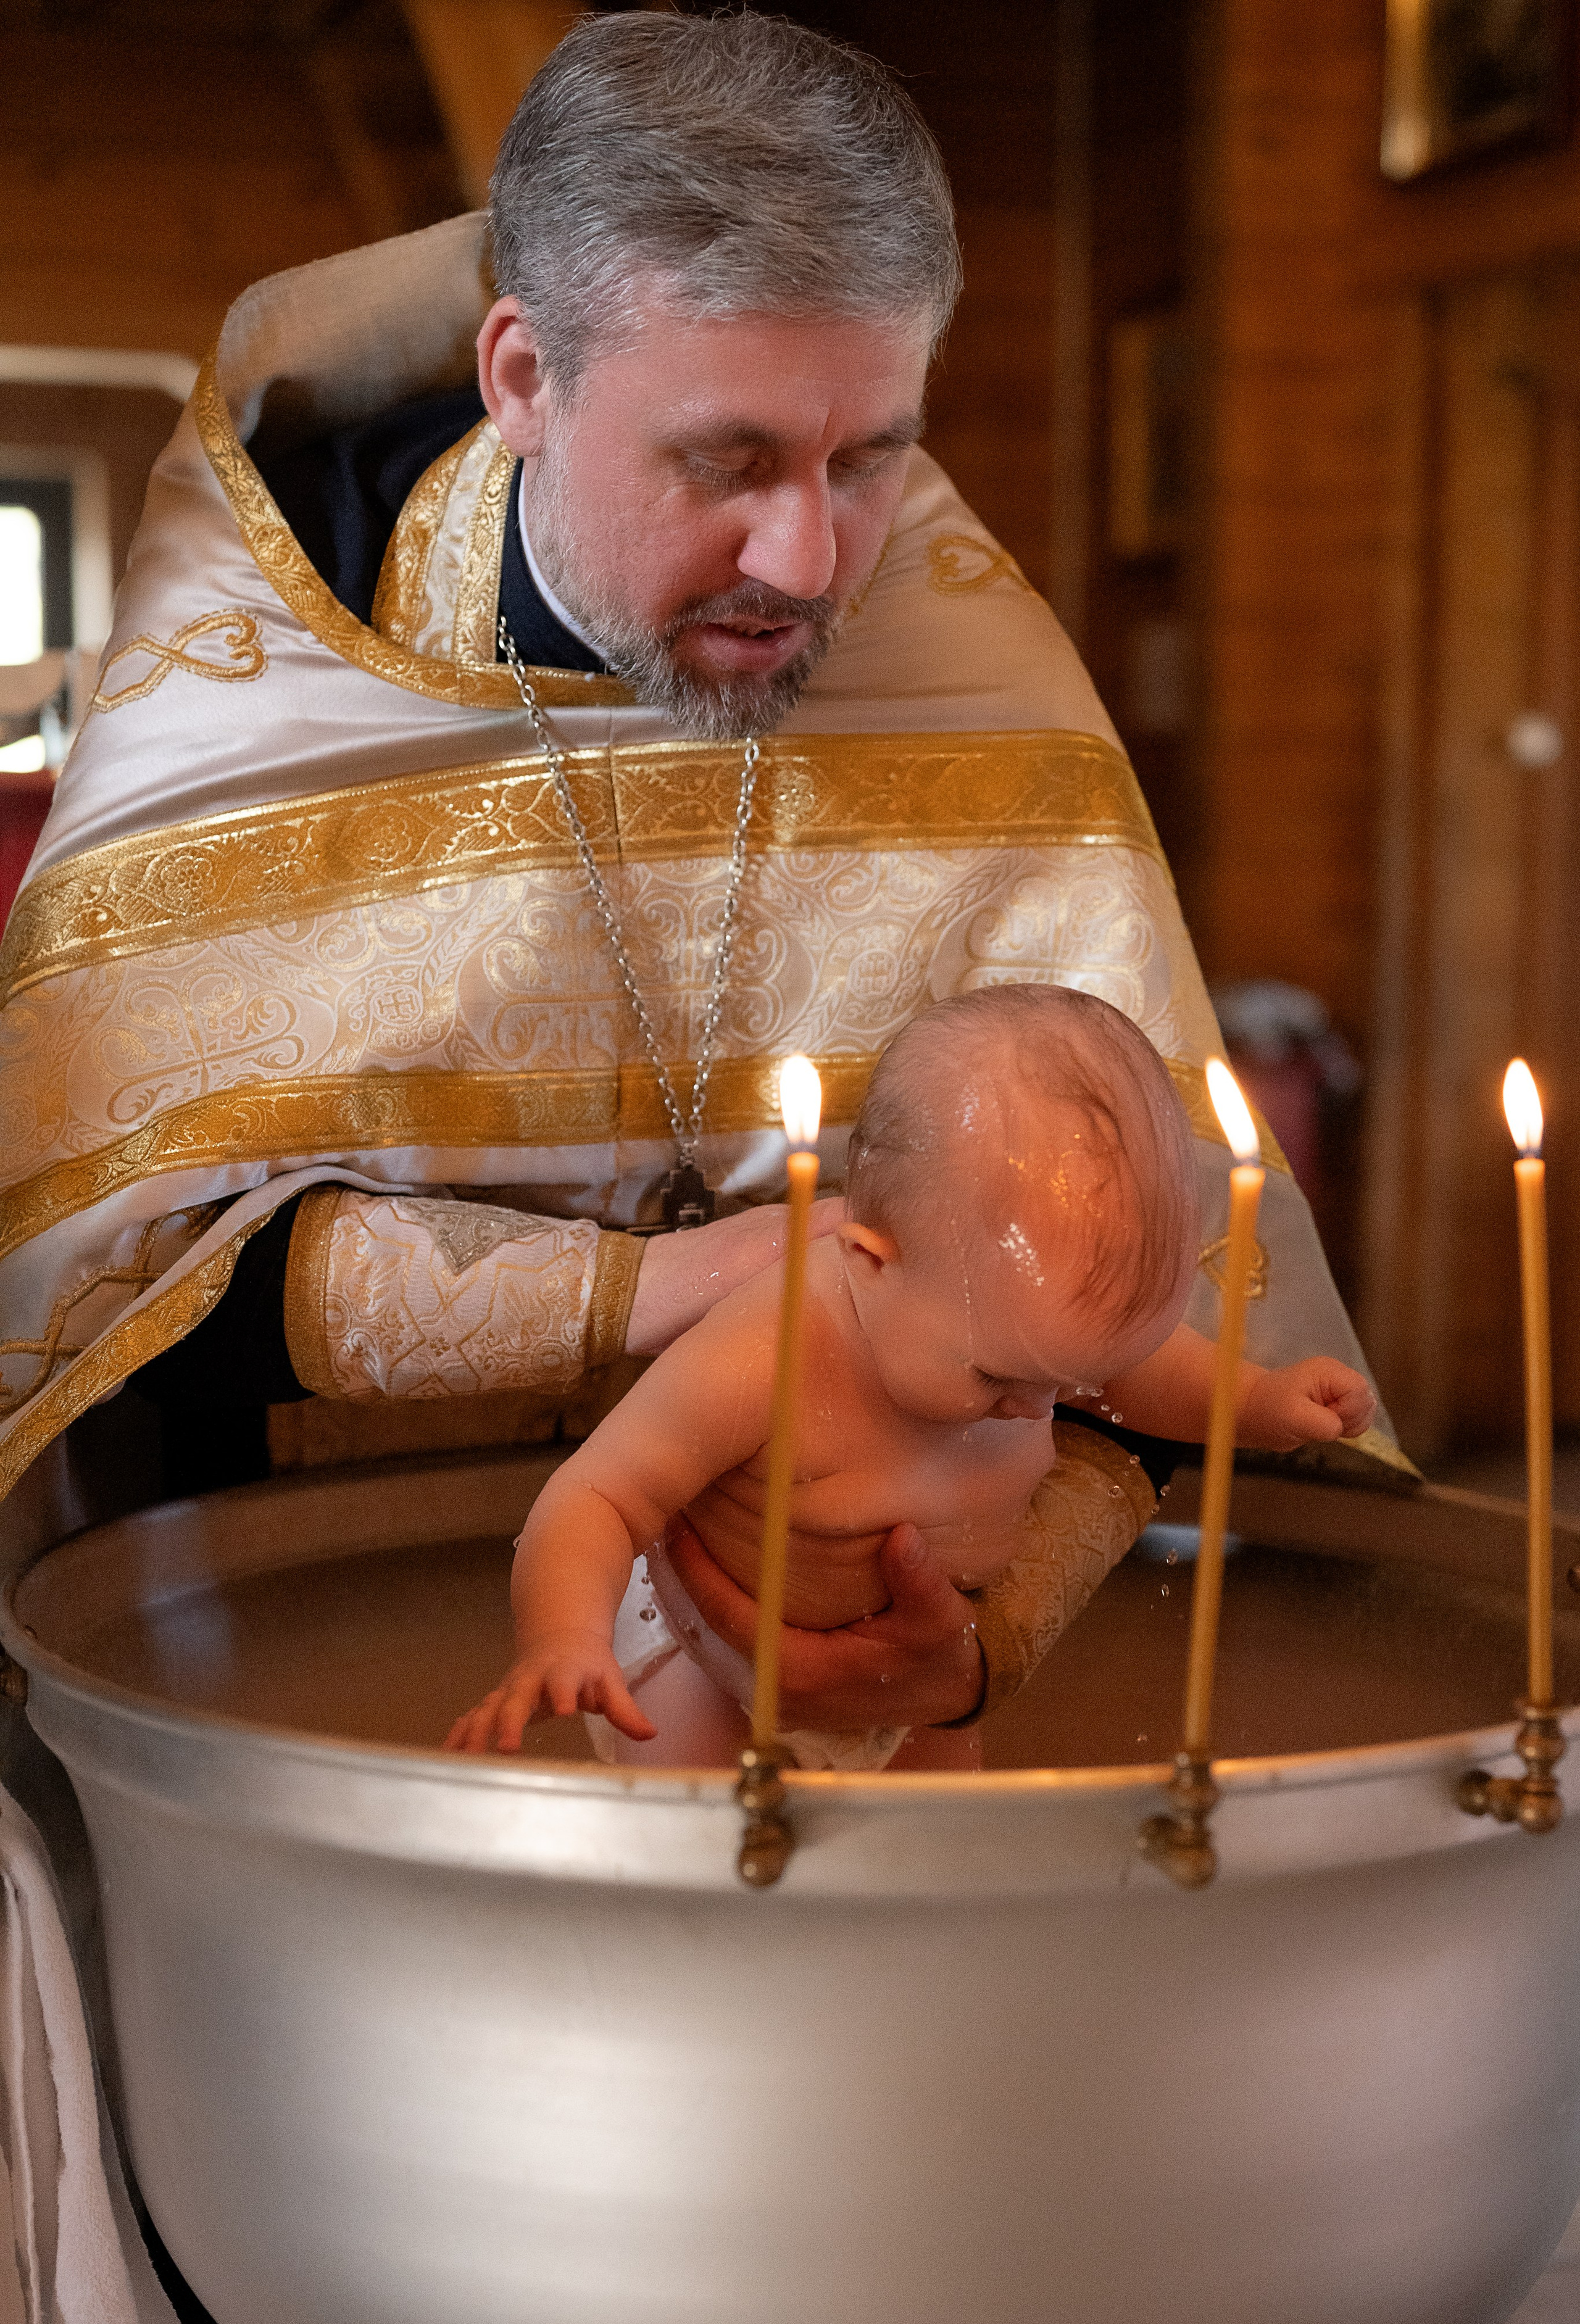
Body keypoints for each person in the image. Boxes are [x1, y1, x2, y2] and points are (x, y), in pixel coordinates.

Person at [0, 12, 1407, 1758]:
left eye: (873, 455)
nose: (811, 561)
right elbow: (109, 1294)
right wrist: (662, 1293)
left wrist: (976, 1641)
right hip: (309, 1666)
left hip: (838, 1708)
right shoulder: (255, 673)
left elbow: (1124, 1316)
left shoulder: (970, 671)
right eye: (725, 461)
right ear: (524, 378)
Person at [447, 987, 1376, 1772]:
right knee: (707, 1867)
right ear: (869, 1259)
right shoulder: (770, 1350)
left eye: (1068, 1380)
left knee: (933, 1857)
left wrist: (1258, 1400)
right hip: (702, 1666)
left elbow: (1149, 1374)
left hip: (916, 1678)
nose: (1036, 1407)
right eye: (997, 1375)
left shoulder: (1011, 1333)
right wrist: (562, 1636)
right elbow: (597, 1497)